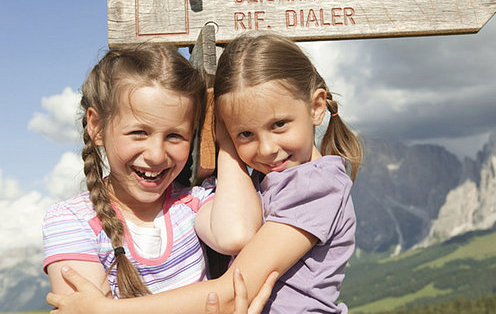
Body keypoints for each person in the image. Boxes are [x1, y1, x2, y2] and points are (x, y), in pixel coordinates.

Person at [47, 32, 362, 313]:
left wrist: (107, 311)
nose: (266, 148)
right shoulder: (273, 181)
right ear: (96, 127)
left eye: (279, 125)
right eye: (245, 134)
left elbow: (231, 281)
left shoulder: (315, 186)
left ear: (317, 107)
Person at [42, 44, 262, 298]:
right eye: (139, 133)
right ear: (97, 126)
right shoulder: (73, 221)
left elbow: (237, 234)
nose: (157, 155)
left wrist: (222, 136)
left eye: (175, 136)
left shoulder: (194, 205)